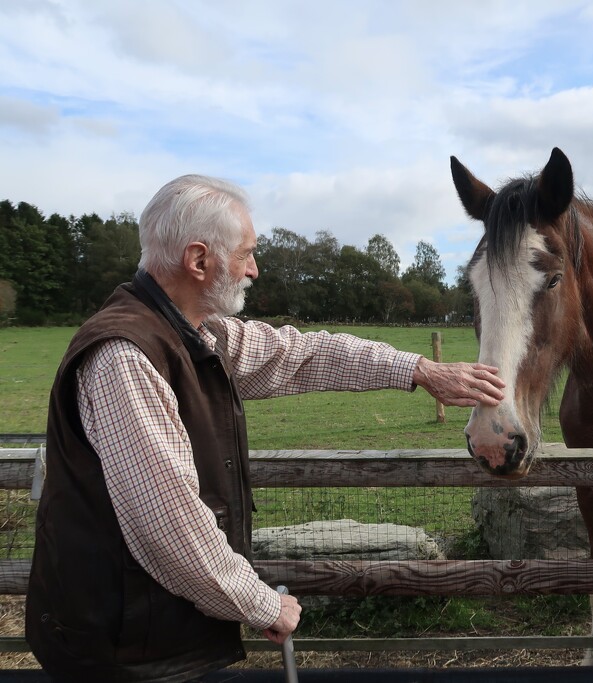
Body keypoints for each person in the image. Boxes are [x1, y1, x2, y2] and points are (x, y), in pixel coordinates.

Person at [26, 174, 506, 682]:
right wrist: (259, 604)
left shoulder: (194, 333)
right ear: (198, 260)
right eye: (246, 254)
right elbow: (169, 526)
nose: (254, 269)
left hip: (144, 631)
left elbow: (303, 355)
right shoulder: (127, 355)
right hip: (120, 647)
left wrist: (418, 370)